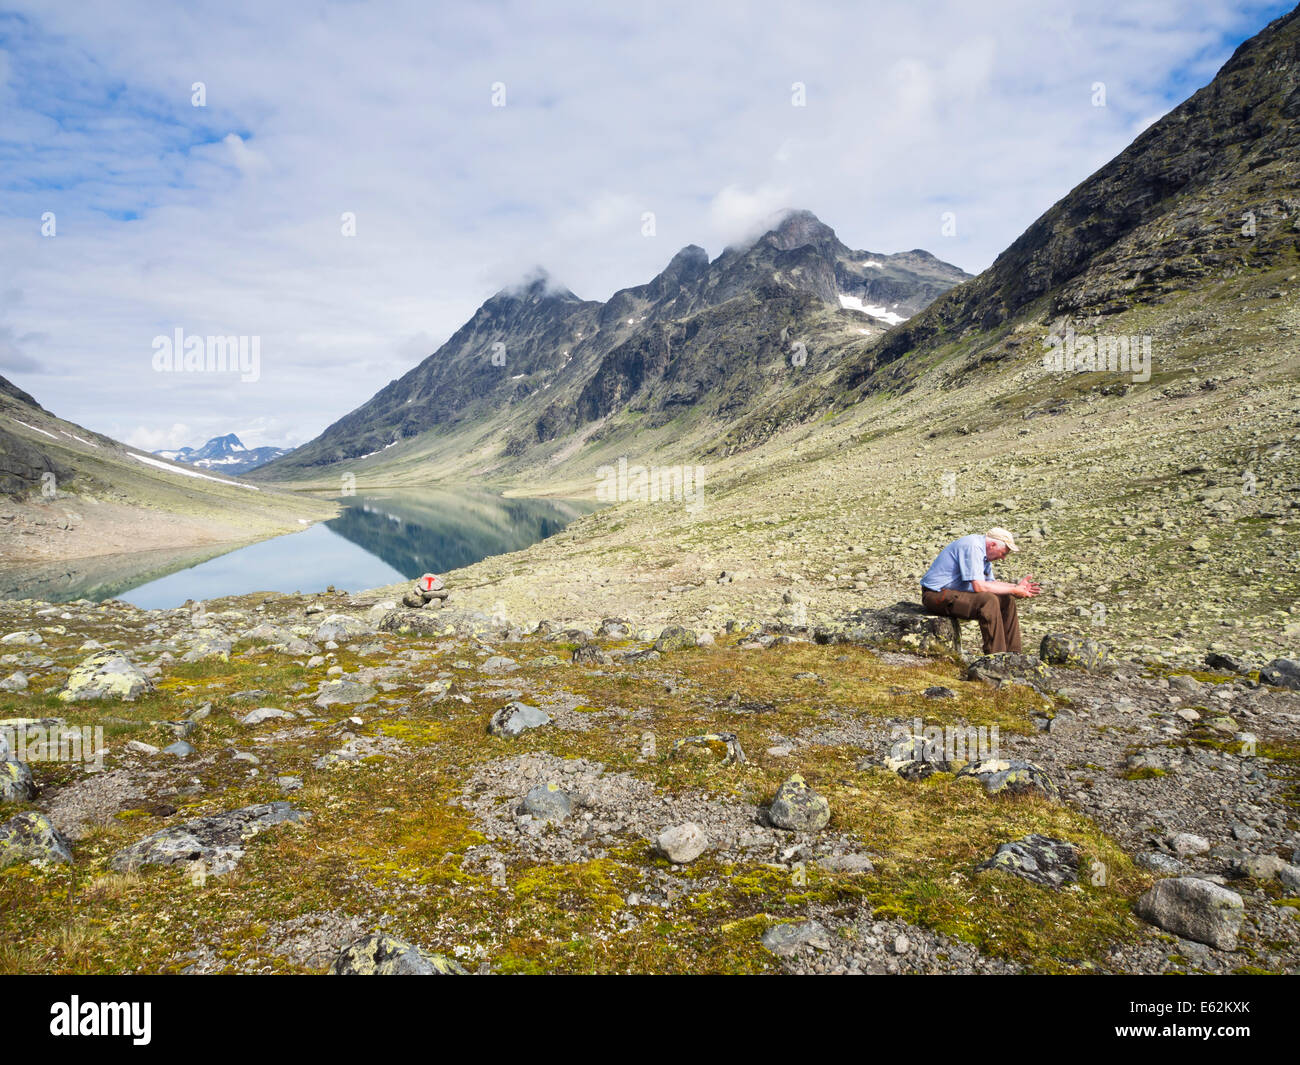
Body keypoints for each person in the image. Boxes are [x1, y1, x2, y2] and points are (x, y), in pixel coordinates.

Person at [920, 527, 1040, 654]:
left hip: (951, 594)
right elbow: (979, 586)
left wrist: (1015, 588)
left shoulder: (984, 553)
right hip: (936, 595)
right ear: (993, 544)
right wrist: (1014, 589)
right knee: (988, 600)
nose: (1003, 558)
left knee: (1007, 599)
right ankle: (996, 657)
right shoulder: (973, 547)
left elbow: (990, 583)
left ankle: (1013, 655)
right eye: (1003, 553)